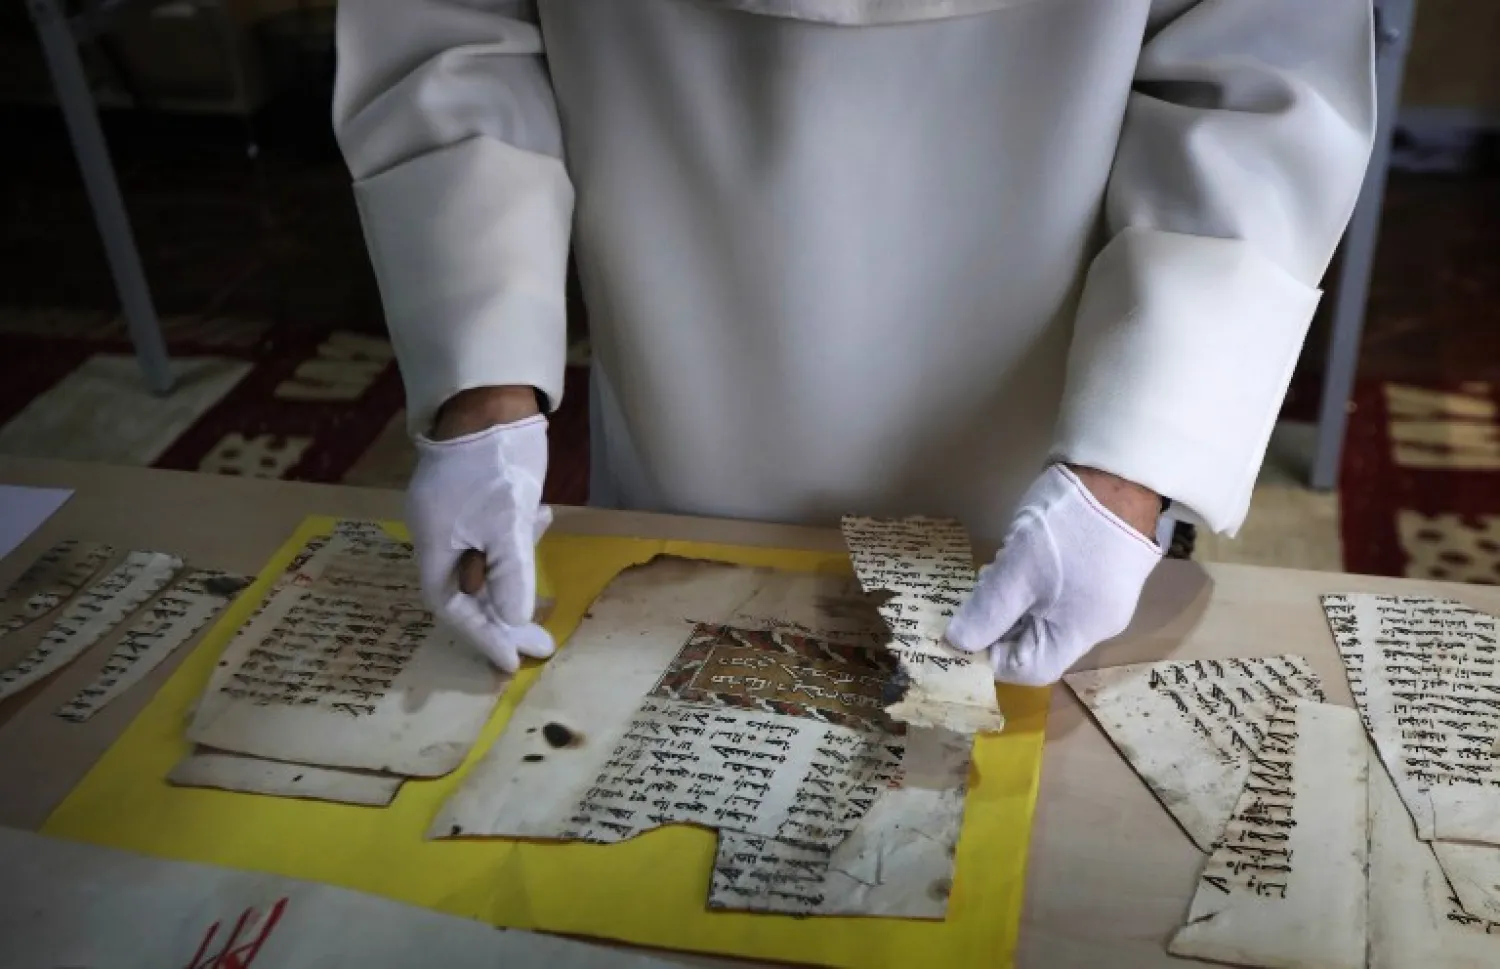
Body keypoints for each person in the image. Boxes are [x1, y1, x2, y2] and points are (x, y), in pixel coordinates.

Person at [333, 0, 1376, 686]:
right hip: (676, 356)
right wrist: (482, 389)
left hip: (1049, 410)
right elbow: (458, 37)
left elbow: (1250, 81)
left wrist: (1134, 463)